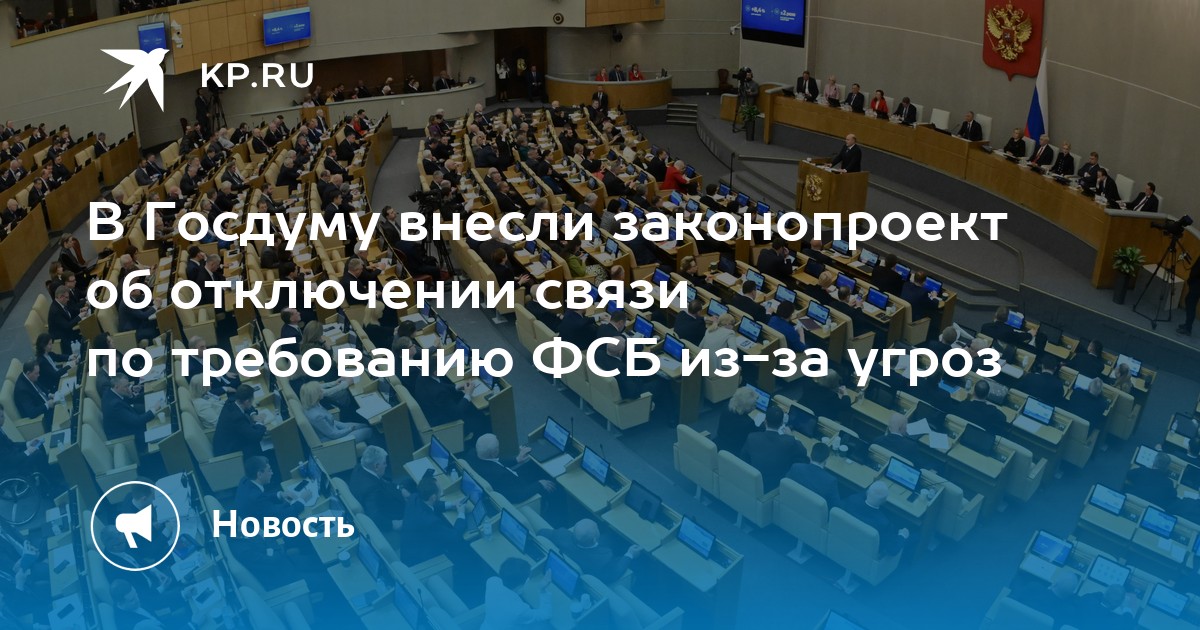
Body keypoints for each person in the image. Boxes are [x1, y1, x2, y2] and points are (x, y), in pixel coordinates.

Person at [836, 482, 909, 593]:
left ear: (867, 492)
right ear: (884, 501)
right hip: (866, 553)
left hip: (843, 539)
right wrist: (902, 535)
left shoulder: (852, 500)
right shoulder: (883, 524)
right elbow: (892, 550)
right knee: (913, 537)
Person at [539, 519, 640, 583]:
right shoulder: (604, 558)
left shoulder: (561, 535)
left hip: (577, 554)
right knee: (613, 539)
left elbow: (541, 532)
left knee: (609, 538)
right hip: (594, 565)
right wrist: (630, 554)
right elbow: (613, 573)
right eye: (596, 528)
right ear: (595, 539)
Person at [350, 446, 410, 544]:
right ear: (376, 466)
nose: (386, 466)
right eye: (384, 463)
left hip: (389, 494)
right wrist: (394, 524)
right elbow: (375, 516)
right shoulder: (372, 490)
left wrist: (400, 489)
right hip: (397, 512)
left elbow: (383, 482)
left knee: (407, 482)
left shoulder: (359, 468)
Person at [401, 476, 467, 565]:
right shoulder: (430, 522)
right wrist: (461, 513)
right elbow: (454, 536)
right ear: (434, 497)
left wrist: (451, 504)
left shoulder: (414, 498)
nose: (441, 493)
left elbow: (430, 504)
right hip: (421, 560)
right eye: (439, 492)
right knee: (461, 547)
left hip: (410, 548)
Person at [471, 433, 554, 503]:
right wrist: (539, 484)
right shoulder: (501, 475)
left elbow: (495, 461)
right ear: (493, 453)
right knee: (546, 479)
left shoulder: (472, 454)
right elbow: (518, 495)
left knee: (533, 464)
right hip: (518, 487)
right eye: (497, 447)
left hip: (509, 479)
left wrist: (517, 459)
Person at [740, 407, 807, 490]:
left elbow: (743, 458)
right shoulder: (789, 441)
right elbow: (804, 452)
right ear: (781, 423)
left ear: (765, 421)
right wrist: (790, 435)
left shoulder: (752, 437)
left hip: (753, 482)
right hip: (776, 486)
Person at [483, 558, 552, 630]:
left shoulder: (492, 582)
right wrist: (543, 590)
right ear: (524, 582)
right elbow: (545, 615)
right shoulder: (519, 610)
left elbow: (507, 592)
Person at [300, 381, 373, 445]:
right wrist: (350, 429)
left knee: (364, 425)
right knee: (369, 431)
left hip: (335, 427)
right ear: (315, 396)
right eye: (320, 391)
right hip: (334, 441)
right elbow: (334, 435)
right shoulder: (316, 416)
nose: (323, 391)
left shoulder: (313, 404)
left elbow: (331, 423)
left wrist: (348, 427)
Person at [212, 385, 267, 457]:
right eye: (251, 401)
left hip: (226, 443)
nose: (252, 403)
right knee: (262, 445)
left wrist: (253, 415)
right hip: (229, 454)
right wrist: (260, 423)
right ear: (247, 401)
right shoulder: (237, 418)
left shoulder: (231, 401)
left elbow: (249, 406)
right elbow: (255, 436)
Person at [1012, 572, 1082, 622]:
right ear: (1070, 594)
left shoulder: (1033, 587)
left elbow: (1011, 601)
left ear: (1054, 583)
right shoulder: (1066, 613)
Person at [786, 442, 840, 507]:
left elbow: (786, 484)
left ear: (810, 455)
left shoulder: (795, 467)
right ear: (826, 460)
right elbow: (835, 506)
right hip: (813, 510)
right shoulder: (831, 481)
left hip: (793, 503)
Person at [716, 387, 762, 455]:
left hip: (719, 443)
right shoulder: (747, 422)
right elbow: (759, 432)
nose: (754, 408)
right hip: (734, 452)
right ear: (746, 407)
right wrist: (764, 422)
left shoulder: (726, 406)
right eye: (753, 405)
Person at [1178, 261, 1200, 335]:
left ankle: (1188, 328)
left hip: (1197, 285)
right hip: (1196, 284)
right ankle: (1187, 325)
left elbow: (1196, 270)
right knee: (1189, 302)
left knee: (1191, 304)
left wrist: (1191, 279)